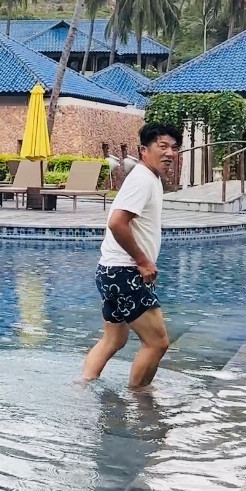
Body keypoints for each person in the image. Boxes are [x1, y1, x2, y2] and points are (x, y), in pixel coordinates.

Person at [81, 122, 182, 390]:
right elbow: (117, 223)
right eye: (162, 146)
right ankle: (139, 400)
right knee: (157, 343)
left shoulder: (150, 178)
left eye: (174, 148)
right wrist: (143, 261)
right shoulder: (142, 179)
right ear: (143, 150)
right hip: (125, 272)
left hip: (110, 271)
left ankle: (83, 387)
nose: (169, 153)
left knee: (114, 339)